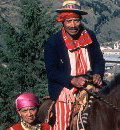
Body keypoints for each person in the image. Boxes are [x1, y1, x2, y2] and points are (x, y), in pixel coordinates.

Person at [44, 0, 105, 129]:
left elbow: (99, 59)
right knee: (63, 121)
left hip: (90, 81)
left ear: (80, 20)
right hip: (66, 85)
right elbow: (51, 71)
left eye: (76, 20)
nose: (73, 25)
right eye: (69, 21)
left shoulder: (90, 36)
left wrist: (98, 74)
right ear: (62, 22)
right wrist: (72, 80)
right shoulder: (53, 42)